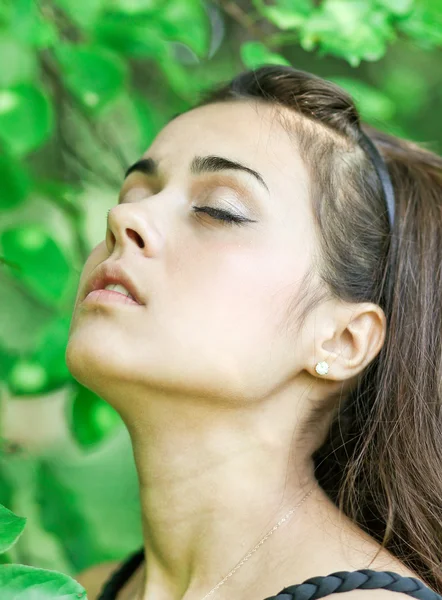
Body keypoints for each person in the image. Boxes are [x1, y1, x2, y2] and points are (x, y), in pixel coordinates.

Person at [66, 65, 442, 600]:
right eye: (134, 191)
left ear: (342, 340)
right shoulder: (74, 591)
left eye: (220, 209)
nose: (127, 216)